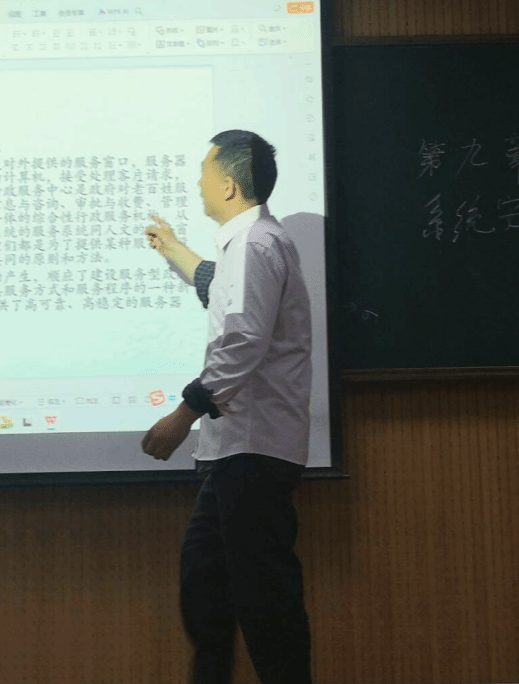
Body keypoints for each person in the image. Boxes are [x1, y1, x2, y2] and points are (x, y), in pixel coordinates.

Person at [141, 130, 313, 684]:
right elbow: (222, 291)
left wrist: (182, 415)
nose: (198, 182)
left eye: (205, 172)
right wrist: (173, 249)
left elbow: (243, 339)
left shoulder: (255, 245)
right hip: (238, 450)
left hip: (252, 451)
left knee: (264, 599)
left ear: (230, 186)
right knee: (205, 585)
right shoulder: (249, 244)